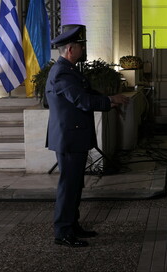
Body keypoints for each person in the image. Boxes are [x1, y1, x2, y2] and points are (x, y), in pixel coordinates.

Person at [46, 24, 130, 247]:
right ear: (71, 50)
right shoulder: (63, 72)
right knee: (69, 185)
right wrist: (111, 101)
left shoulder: (70, 69)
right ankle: (63, 231)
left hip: (74, 137)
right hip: (69, 138)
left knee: (75, 185)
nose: (84, 51)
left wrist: (111, 98)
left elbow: (87, 93)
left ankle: (72, 225)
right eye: (81, 47)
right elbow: (82, 101)